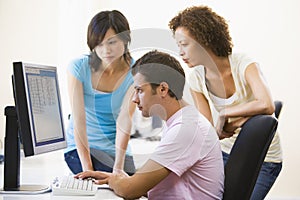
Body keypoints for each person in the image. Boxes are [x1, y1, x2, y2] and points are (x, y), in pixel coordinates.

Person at [75, 50, 224, 199]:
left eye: (139, 90)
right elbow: (147, 185)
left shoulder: (187, 129)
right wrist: (114, 180)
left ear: (163, 89)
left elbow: (129, 190)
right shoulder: (181, 121)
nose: (134, 99)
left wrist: (121, 182)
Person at [169, 5, 282, 200]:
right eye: (178, 45)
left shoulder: (243, 63)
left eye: (184, 44)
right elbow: (209, 131)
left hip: (264, 159)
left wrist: (224, 114)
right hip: (224, 153)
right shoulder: (196, 77)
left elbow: (267, 104)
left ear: (204, 40)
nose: (180, 52)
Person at [64, 10, 136, 175]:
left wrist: (118, 167)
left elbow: (125, 119)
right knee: (107, 184)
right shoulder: (78, 67)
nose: (106, 50)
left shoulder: (135, 71)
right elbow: (79, 121)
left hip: (115, 148)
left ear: (125, 40)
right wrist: (87, 169)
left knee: (132, 187)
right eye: (99, 44)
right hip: (82, 148)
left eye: (112, 42)